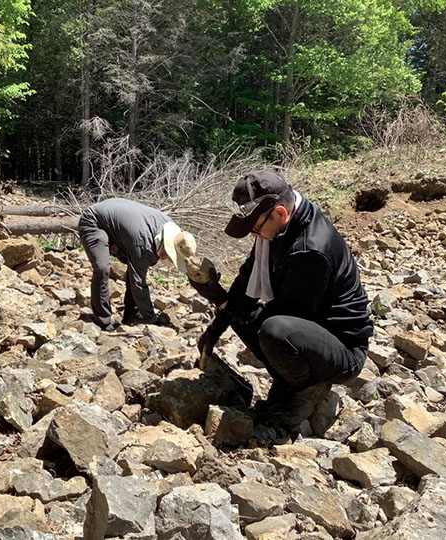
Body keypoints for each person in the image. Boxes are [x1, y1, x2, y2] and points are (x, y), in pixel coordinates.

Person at [194, 170, 373, 432]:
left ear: (279, 213)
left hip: (342, 350)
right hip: (308, 331)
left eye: (256, 228)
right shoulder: (277, 229)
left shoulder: (310, 250)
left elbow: (282, 317)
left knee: (272, 331)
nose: (255, 235)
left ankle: (305, 389)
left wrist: (222, 300)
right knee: (242, 313)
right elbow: (244, 286)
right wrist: (213, 331)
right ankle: (292, 382)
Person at [79, 198, 196, 331]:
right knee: (102, 269)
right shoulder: (144, 243)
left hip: (114, 222)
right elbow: (138, 283)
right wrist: (151, 318)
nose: (167, 258)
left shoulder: (172, 230)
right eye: (169, 255)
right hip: (93, 221)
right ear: (165, 244)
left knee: (136, 268)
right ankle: (103, 320)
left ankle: (131, 315)